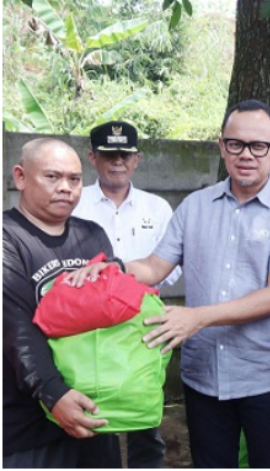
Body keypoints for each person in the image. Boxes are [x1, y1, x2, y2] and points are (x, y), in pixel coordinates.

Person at [66, 99, 270, 468]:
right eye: (236, 144)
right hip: (204, 376)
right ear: (222, 146)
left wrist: (196, 317)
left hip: (265, 376)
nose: (246, 154)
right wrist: (111, 268)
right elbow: (155, 266)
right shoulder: (195, 206)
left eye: (258, 146)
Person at [3, 138, 121, 468]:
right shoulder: (7, 236)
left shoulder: (93, 235)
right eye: (52, 177)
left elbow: (111, 313)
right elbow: (14, 326)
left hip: (94, 411)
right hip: (26, 425)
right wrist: (53, 392)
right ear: (21, 177)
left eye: (74, 179)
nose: (66, 188)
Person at [72, 121, 180, 468]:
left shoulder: (157, 208)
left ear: (137, 159)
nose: (117, 162)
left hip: (142, 320)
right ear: (93, 157)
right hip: (89, 322)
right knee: (93, 400)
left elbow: (173, 266)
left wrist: (137, 284)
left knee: (143, 405)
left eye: (124, 154)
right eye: (109, 155)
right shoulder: (76, 203)